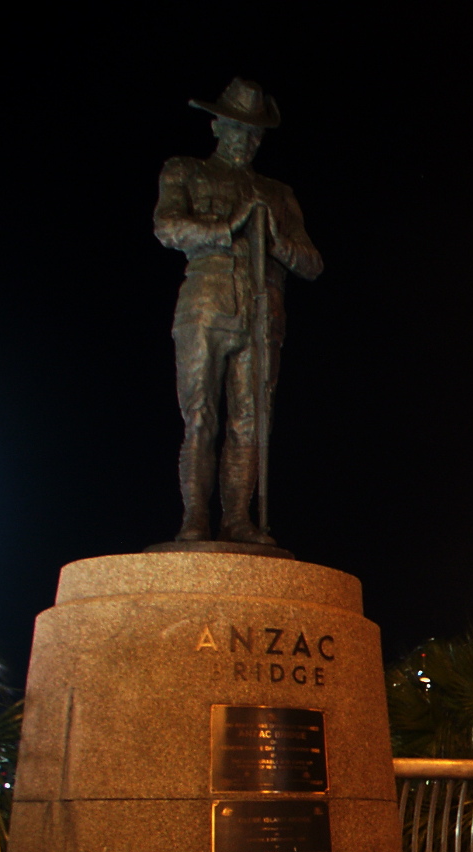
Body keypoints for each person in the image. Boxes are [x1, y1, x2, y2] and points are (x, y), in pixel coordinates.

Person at [154, 78, 322, 546]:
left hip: (262, 311)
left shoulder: (278, 192)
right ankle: (194, 519)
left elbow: (312, 262)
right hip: (206, 303)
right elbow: (167, 227)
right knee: (201, 415)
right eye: (236, 129)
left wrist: (277, 243)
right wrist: (228, 227)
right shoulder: (185, 171)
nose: (245, 142)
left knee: (251, 422)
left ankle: (237, 520)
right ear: (216, 126)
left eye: (254, 135)